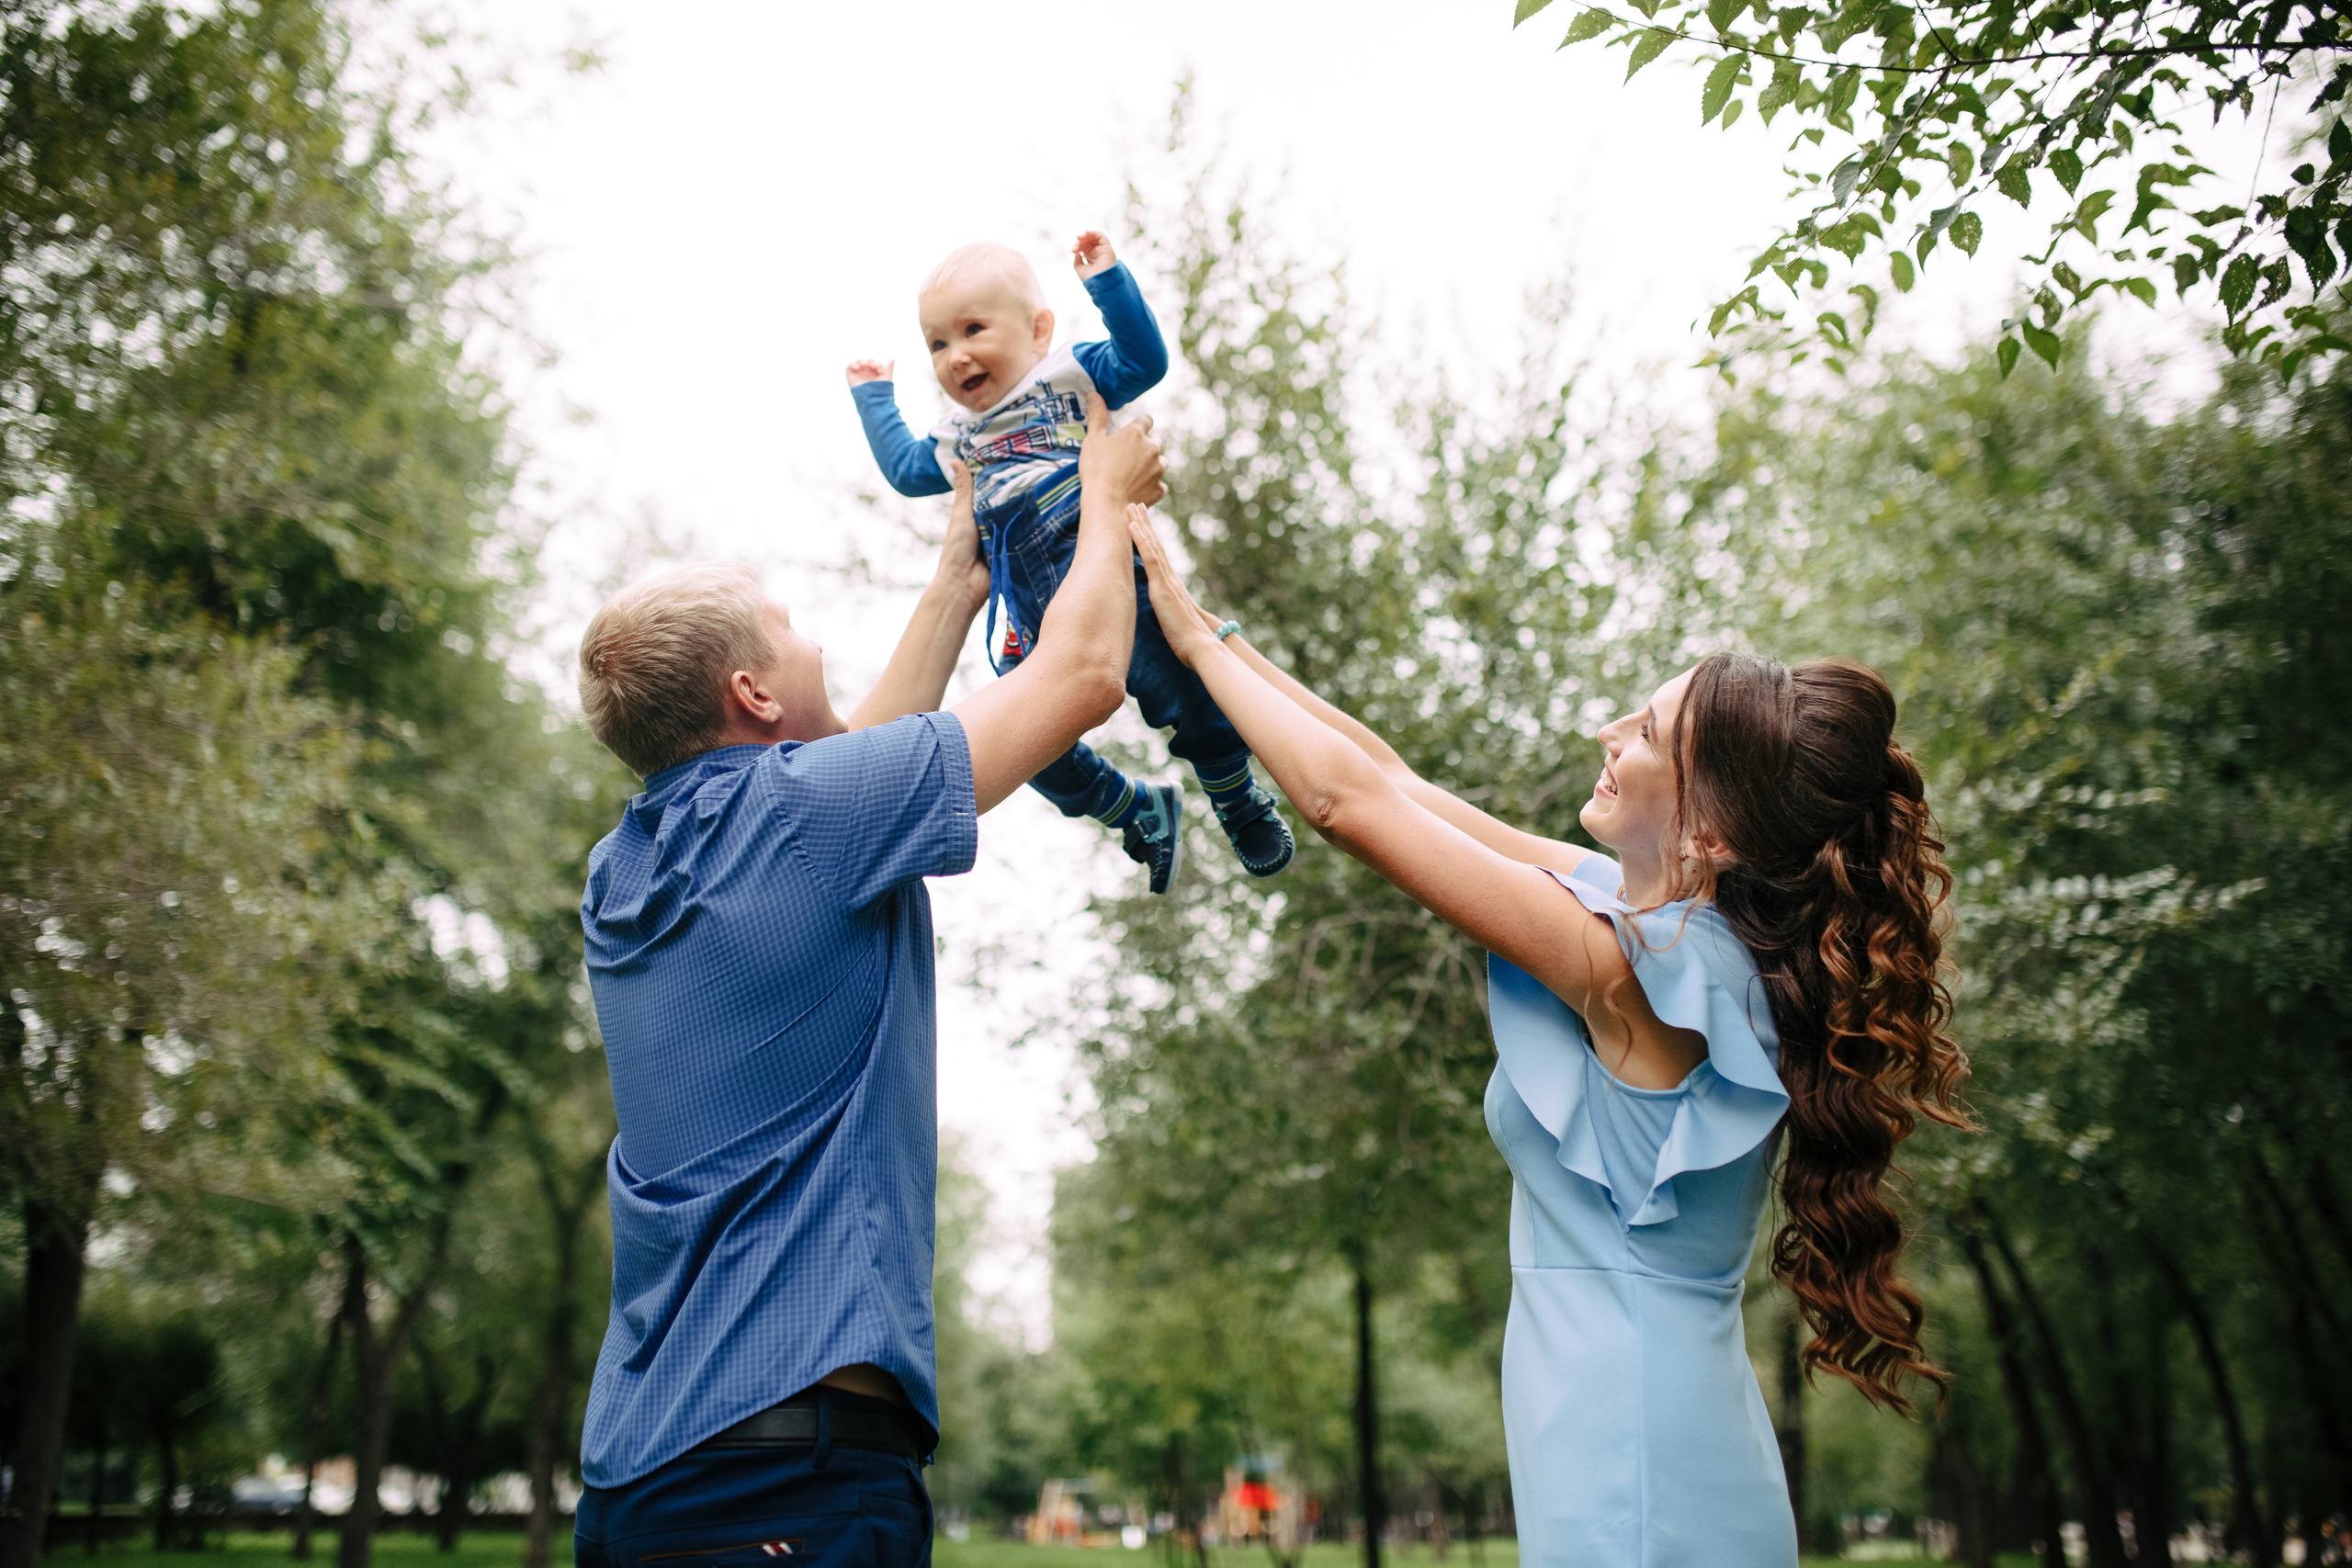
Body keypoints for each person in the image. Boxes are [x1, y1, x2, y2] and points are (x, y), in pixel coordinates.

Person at [1121, 506, 1971, 1568]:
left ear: (1710, 830)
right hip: (1617, 1411)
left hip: (1634, 1451)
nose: (1608, 734)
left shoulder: (1646, 970)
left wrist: (1192, 647)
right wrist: (1203, 625)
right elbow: (1391, 781)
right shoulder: (1635, 917)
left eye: (1647, 734)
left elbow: (1341, 806)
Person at [567, 397, 1163, 1568]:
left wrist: (958, 571)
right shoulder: (809, 820)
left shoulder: (622, 870)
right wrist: (1107, 497)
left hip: (639, 1480)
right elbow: (1085, 672)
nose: (816, 642)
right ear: (750, 692)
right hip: (786, 1484)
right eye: (791, 632)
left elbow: (836, 770)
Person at [845, 231, 1294, 895]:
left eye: (973, 330)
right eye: (937, 344)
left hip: (1093, 555)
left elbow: (1145, 361)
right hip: (1022, 599)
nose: (956, 355)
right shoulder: (956, 437)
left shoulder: (1066, 374)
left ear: (1038, 329)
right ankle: (1133, 808)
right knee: (1019, 736)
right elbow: (909, 472)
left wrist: (1108, 283)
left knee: (1176, 684)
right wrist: (875, 398)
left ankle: (1236, 798)